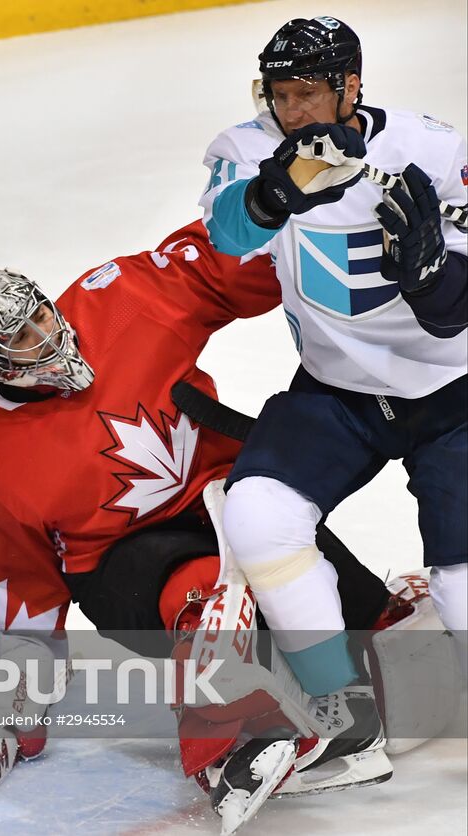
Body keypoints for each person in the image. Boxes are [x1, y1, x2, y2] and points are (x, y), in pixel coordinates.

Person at [0, 220, 403, 829]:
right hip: (123, 562)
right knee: (206, 600)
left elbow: (211, 267)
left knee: (359, 616)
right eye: (23, 336)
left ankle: (357, 641)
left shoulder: (119, 298)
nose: (48, 335)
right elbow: (14, 575)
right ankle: (236, 733)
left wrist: (297, 238)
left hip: (220, 498)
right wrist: (16, 689)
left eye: (42, 315)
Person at [197, 14, 467, 824]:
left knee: (462, 586)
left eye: (309, 92)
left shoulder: (432, 148)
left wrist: (432, 278)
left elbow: (457, 313)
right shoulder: (245, 149)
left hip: (454, 394)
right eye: (280, 95)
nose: (293, 110)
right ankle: (345, 729)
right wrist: (276, 191)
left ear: (353, 87)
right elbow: (226, 231)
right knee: (259, 514)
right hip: (335, 392)